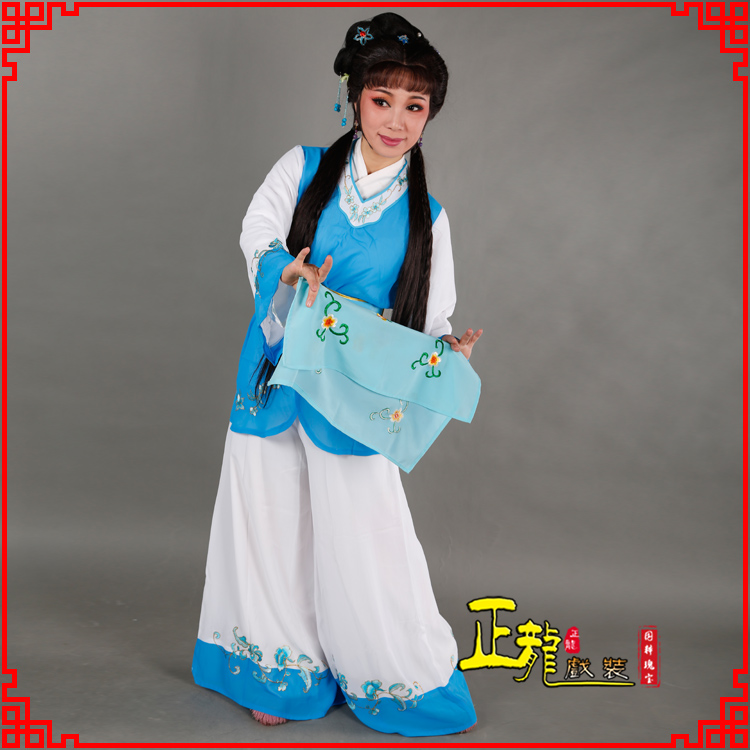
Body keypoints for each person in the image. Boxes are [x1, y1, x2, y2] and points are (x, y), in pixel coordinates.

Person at [191, 12, 483, 737]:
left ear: (429, 115)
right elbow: (257, 228)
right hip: (277, 368)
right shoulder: (303, 169)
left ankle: (387, 672)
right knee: (271, 522)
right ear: (354, 99)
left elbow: (432, 316)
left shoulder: (429, 216)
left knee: (366, 537)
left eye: (415, 106)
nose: (397, 121)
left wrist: (446, 352)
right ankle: (283, 671)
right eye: (382, 100)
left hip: (355, 395)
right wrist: (283, 269)